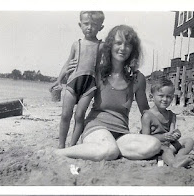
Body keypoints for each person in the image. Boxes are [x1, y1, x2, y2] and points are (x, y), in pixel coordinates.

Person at [55, 25, 161, 161]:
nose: (122, 48)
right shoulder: (98, 72)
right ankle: (60, 153)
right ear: (110, 45)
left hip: (122, 134)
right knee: (109, 150)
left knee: (154, 145)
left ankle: (107, 148)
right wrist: (67, 74)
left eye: (128, 44)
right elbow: (76, 95)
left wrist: (162, 123)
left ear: (133, 49)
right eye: (118, 43)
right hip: (95, 128)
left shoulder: (137, 78)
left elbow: (145, 111)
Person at [50, 11, 105, 148]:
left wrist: (100, 87)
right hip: (73, 81)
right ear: (80, 25)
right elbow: (68, 63)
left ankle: (73, 145)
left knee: (80, 116)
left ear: (101, 27)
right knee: (65, 115)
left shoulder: (101, 46)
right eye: (86, 24)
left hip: (89, 85)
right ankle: (61, 145)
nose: (89, 27)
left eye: (94, 25)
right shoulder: (77, 44)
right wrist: (59, 80)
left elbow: (99, 68)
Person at [141, 77, 194, 168]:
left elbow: (172, 132)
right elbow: (145, 139)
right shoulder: (147, 116)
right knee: (166, 150)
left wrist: (176, 134)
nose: (165, 99)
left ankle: (179, 157)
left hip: (168, 145)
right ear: (152, 97)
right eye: (161, 95)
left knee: (189, 141)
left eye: (169, 96)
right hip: (155, 147)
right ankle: (174, 163)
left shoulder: (171, 115)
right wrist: (162, 137)